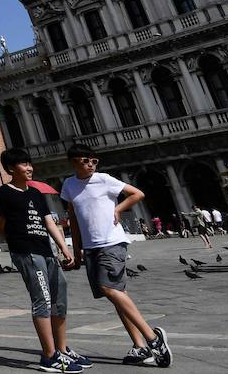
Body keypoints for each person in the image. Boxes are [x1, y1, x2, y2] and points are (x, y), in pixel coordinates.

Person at [60, 145, 171, 367]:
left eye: (94, 161)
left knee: (109, 289)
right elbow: (73, 219)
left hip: (112, 242)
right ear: (73, 162)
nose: (91, 164)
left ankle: (153, 338)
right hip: (91, 247)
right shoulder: (69, 185)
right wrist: (78, 252)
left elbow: (137, 194)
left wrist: (119, 209)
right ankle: (139, 347)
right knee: (117, 295)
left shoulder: (104, 179)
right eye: (86, 160)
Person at [0, 147, 86, 373]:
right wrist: (18, 242)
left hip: (46, 251)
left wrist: (65, 249)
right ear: (10, 169)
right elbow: (0, 226)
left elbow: (48, 222)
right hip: (27, 252)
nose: (29, 168)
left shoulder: (35, 193)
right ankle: (49, 356)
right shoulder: (4, 193)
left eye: (29, 163)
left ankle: (61, 349)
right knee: (42, 300)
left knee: (59, 298)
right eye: (23, 164)